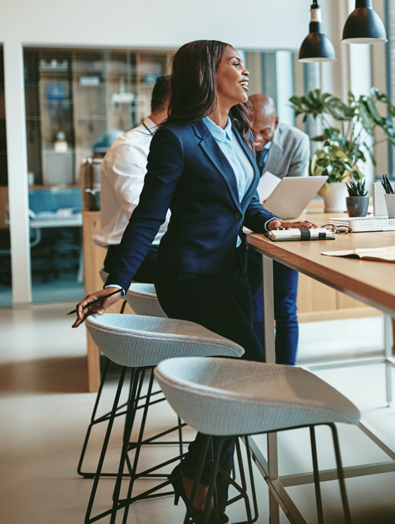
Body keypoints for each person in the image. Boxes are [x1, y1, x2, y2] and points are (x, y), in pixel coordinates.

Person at [72, 40, 314, 522]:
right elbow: (147, 216)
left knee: (244, 372)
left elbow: (244, 203)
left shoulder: (239, 133)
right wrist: (118, 280)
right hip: (189, 274)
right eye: (235, 63)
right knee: (251, 365)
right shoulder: (177, 137)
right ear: (208, 74)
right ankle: (204, 490)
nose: (246, 72)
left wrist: (270, 223)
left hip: (230, 273)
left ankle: (197, 475)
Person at [246, 93, 311, 365]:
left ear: (277, 122)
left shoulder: (297, 141)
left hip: (283, 232)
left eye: (265, 131)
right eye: (251, 131)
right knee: (256, 309)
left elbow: (296, 193)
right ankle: (261, 376)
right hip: (247, 235)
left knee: (285, 308)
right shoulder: (236, 138)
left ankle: (287, 374)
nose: (257, 139)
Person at [93, 76, 171, 283]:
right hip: (131, 249)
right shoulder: (129, 148)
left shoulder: (173, 144)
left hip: (166, 244)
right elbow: (143, 213)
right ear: (173, 106)